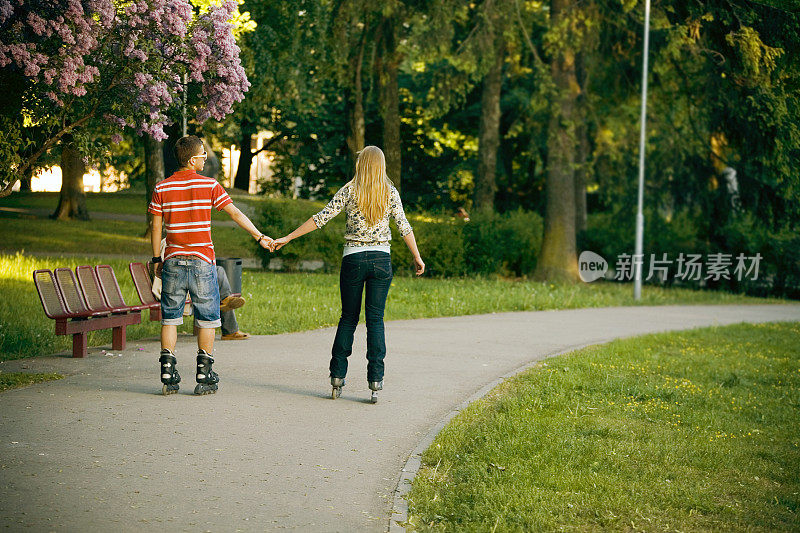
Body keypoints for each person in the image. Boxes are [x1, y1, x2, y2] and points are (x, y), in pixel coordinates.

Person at [271, 146, 424, 403]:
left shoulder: (349, 190)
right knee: (375, 319)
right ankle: (375, 380)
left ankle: (337, 377)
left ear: (361, 165)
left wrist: (288, 237)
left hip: (353, 259)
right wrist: (417, 256)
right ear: (382, 166)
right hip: (381, 260)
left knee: (349, 318)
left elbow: (321, 218)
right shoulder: (390, 192)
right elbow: (404, 226)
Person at [148, 135, 272, 395]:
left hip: (172, 261)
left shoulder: (162, 188)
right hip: (203, 262)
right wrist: (259, 236)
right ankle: (204, 374)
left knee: (170, 318)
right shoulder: (210, 186)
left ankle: (168, 370)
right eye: (203, 155)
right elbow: (235, 213)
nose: (205, 159)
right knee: (207, 318)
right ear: (193, 160)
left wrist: (157, 259)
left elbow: (156, 226)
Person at [151, 239, 250, 340]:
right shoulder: (170, 241)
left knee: (218, 274)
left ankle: (226, 301)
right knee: (217, 287)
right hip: (179, 284)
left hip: (191, 278)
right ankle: (229, 327)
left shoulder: (189, 235)